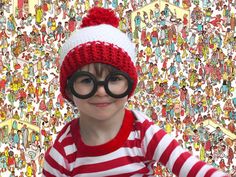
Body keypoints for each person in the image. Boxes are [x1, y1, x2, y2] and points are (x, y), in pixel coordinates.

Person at [42, 7, 229, 177]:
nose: (100, 91)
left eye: (113, 79)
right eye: (86, 80)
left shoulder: (142, 132)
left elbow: (193, 168)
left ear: (130, 85)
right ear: (68, 89)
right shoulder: (64, 150)